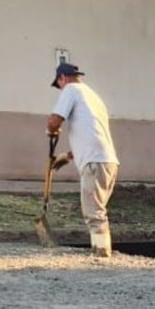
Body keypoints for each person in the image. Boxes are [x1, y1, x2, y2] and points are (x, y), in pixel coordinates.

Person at [46, 62, 120, 258]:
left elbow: (54, 121)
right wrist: (69, 156)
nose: (60, 88)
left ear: (63, 78)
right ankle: (102, 250)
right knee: (98, 208)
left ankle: (102, 254)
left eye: (59, 83)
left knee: (93, 212)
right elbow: (91, 133)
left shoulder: (71, 89)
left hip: (95, 161)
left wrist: (51, 129)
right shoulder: (93, 96)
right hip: (108, 161)